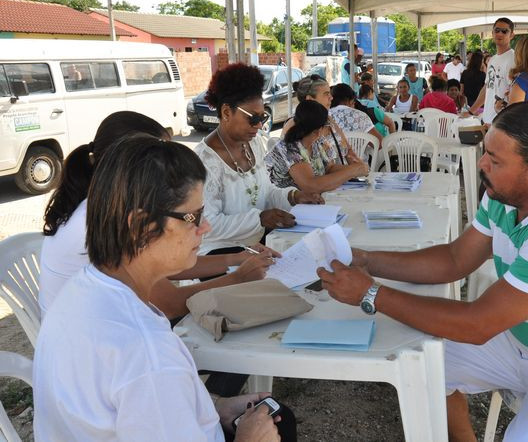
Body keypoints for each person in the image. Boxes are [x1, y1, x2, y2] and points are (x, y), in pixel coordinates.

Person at [318, 101, 528, 440]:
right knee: (427, 366)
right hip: (526, 343)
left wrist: (371, 293)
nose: (481, 164)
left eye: (494, 160)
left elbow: (477, 324)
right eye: (485, 152)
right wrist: (368, 261)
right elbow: (455, 259)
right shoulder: (507, 193)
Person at [34, 135, 292, 441]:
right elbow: (147, 383)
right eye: (193, 217)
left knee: (276, 417)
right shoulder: (146, 352)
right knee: (278, 425)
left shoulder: (82, 289)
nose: (205, 227)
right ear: (141, 226)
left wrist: (212, 407)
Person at [40, 111, 277, 321]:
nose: (203, 226)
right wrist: (238, 279)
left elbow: (166, 262)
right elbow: (171, 304)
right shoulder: (105, 220)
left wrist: (236, 258)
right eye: (161, 160)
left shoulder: (104, 203)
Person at [195, 64, 323, 256]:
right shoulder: (203, 161)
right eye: (253, 118)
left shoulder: (253, 144)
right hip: (217, 255)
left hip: (257, 246)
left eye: (262, 117)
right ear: (226, 112)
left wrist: (293, 196)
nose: (259, 125)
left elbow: (266, 192)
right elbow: (207, 224)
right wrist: (260, 219)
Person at [265, 100, 368, 193]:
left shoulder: (317, 142)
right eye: (327, 125)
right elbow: (310, 185)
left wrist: (355, 169)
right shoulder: (289, 148)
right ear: (318, 130)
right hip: (286, 207)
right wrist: (352, 171)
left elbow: (329, 168)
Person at [469, 17, 516, 124]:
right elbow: (487, 87)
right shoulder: (492, 60)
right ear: (492, 33)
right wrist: (471, 111)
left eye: (504, 31)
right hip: (488, 120)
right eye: (497, 30)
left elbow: (515, 94)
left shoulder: (514, 59)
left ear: (512, 35)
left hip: (503, 123)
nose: (500, 34)